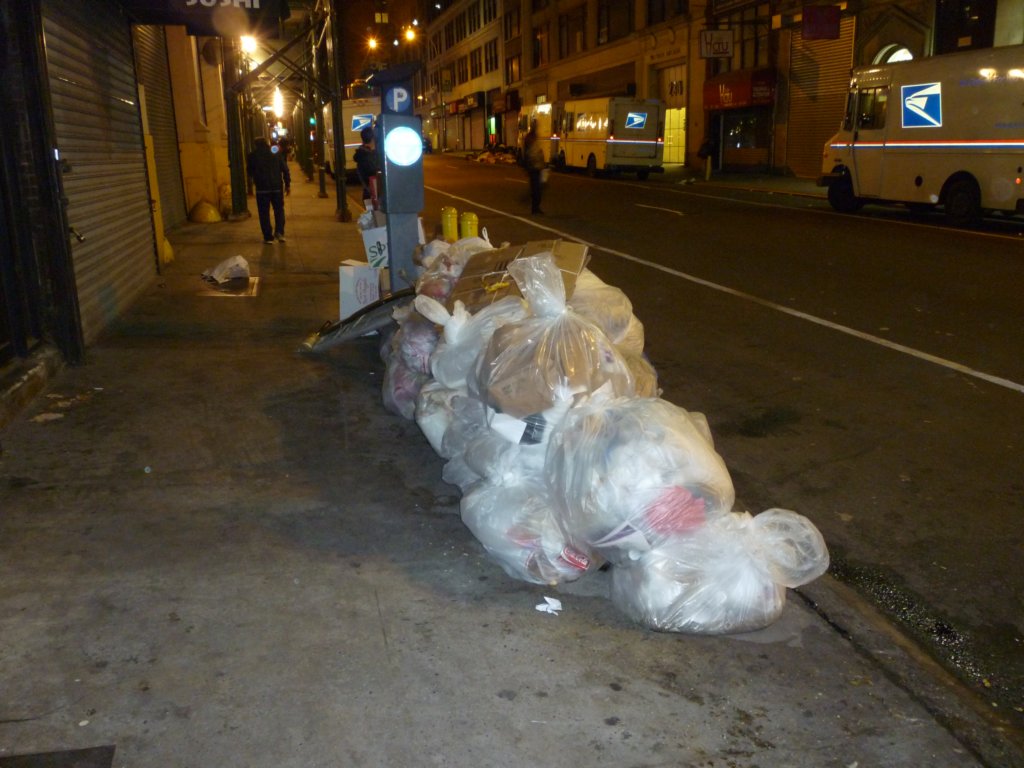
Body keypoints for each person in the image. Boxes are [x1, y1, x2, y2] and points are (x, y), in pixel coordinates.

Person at [247, 136, 290, 243]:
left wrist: (256, 178)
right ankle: (279, 232)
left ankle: (268, 237)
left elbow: (249, 172)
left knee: (264, 213)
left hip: (262, 189)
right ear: (266, 143)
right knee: (279, 210)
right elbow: (285, 169)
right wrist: (287, 184)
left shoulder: (252, 155)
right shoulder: (274, 152)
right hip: (276, 187)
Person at [353, 126, 379, 209]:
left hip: (369, 193)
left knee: (371, 214)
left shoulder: (362, 154)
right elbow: (374, 171)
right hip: (372, 194)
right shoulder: (366, 155)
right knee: (374, 215)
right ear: (372, 139)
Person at [523, 122, 546, 215]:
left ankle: (536, 207)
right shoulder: (530, 138)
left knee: (537, 188)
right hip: (533, 166)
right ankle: (534, 208)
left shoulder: (534, 137)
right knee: (535, 188)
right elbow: (530, 153)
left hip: (537, 166)